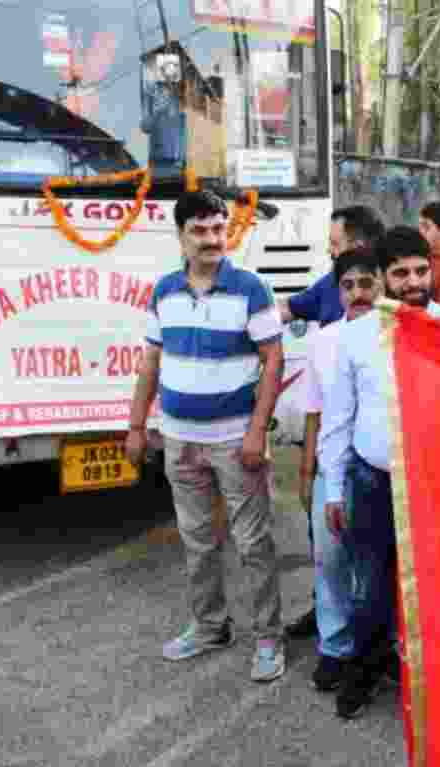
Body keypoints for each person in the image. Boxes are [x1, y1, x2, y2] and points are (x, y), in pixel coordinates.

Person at [125, 189, 286, 681]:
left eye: (218, 228)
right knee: (197, 540)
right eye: (199, 230)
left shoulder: (250, 289)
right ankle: (211, 626)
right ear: (181, 236)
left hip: (235, 440)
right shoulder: (164, 292)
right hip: (178, 440)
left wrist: (257, 431)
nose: (212, 239)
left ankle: (268, 638)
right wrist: (137, 426)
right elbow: (151, 362)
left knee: (253, 542)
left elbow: (274, 360)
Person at [319, 226, 440, 720]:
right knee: (370, 584)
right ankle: (363, 672)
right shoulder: (355, 337)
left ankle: (426, 679)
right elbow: (338, 420)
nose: (414, 282)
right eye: (401, 273)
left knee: (434, 588)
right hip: (372, 482)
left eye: (421, 271)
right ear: (382, 277)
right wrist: (333, 489)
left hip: (436, 483)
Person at [297, 248, 383, 692]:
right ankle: (334, 646)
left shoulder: (392, 335)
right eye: (348, 286)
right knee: (329, 557)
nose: (358, 293)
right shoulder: (323, 341)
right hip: (332, 466)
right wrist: (308, 472)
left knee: (373, 566)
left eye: (366, 283)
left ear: (381, 284)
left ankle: (376, 650)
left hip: (374, 467)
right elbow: (315, 412)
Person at [279, 205, 385, 324]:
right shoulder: (331, 282)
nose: (329, 250)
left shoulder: (393, 291)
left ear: (358, 248)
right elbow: (288, 308)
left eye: (335, 244)